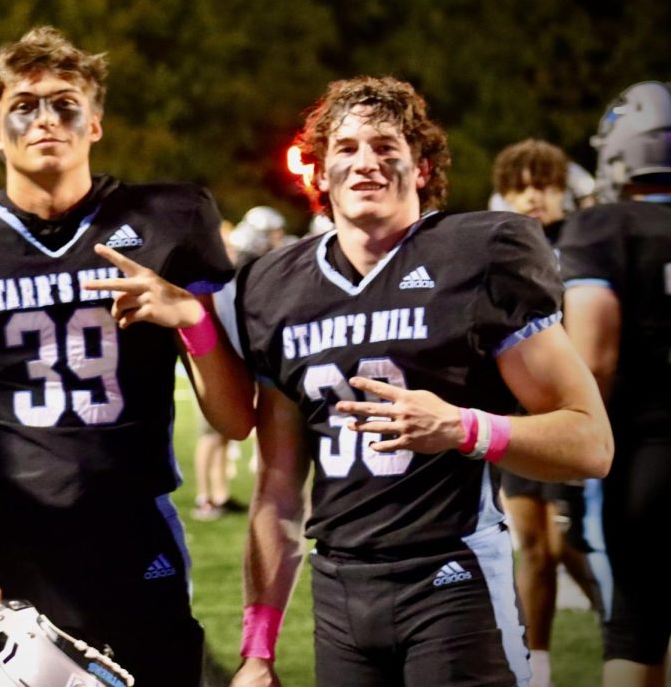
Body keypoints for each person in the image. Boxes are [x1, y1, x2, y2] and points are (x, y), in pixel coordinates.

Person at [88, 76, 613, 687]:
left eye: (387, 146)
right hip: (339, 590)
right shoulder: (276, 288)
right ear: (317, 172)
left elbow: (590, 442)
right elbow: (279, 490)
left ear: (421, 169)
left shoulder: (480, 256)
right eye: (346, 147)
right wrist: (258, 650)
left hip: (453, 575)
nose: (367, 162)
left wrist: (462, 427)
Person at [0, 26, 237, 686]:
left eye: (64, 102)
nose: (45, 118)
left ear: (96, 123)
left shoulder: (167, 221)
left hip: (138, 532)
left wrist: (192, 318)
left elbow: (233, 420)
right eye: (24, 105)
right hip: (15, 547)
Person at [560, 80, 671, 687]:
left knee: (635, 627)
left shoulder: (602, 228)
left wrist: (571, 475)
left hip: (647, 456)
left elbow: (594, 359)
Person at [492, 139, 605, 687]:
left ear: (564, 188)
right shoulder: (497, 250)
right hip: (519, 415)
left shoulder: (584, 244)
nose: (532, 194)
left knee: (568, 544)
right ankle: (538, 669)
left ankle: (620, 623)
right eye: (520, 184)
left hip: (577, 416)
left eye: (544, 182)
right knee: (533, 547)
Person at [194, 207, 286, 521]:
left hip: (236, 354)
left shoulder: (242, 267)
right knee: (210, 432)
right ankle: (206, 496)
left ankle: (218, 493)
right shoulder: (227, 268)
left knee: (224, 432)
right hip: (219, 355)